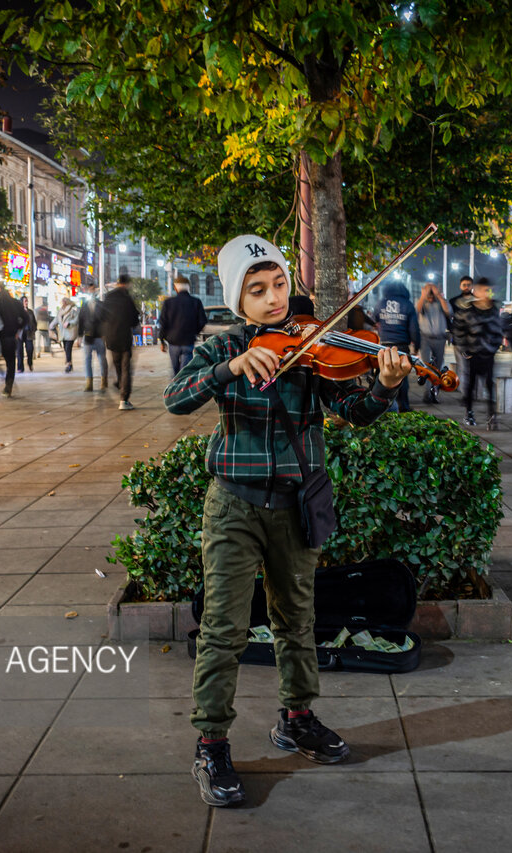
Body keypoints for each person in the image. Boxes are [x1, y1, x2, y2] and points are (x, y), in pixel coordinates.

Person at [164, 233, 410, 809]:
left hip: (297, 501)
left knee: (297, 619)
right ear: (237, 302)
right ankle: (211, 743)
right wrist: (230, 366)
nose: (274, 298)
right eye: (258, 290)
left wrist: (385, 385)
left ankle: (297, 718)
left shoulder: (313, 346)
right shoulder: (221, 348)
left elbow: (355, 411)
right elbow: (177, 399)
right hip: (234, 505)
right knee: (224, 628)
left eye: (279, 284)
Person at [452, 276, 504, 429]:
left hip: (488, 354)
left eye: (488, 290)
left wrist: (494, 347)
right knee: (470, 384)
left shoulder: (493, 310)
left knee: (489, 385)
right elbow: (459, 329)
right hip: (473, 353)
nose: (485, 293)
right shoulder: (467, 310)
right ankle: (469, 413)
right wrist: (464, 350)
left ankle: (491, 415)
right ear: (476, 291)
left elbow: (498, 331)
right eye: (482, 290)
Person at [377, 279, 420, 412]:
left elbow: (376, 321)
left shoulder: (381, 303)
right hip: (401, 346)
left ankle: (381, 405)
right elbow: (414, 329)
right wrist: (417, 345)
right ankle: (403, 406)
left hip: (383, 346)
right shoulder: (407, 304)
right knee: (402, 377)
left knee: (382, 375)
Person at [103, 274, 142, 411]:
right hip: (124, 338)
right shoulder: (127, 299)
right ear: (127, 284)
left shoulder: (108, 297)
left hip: (111, 338)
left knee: (118, 365)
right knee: (126, 368)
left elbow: (102, 316)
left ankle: (120, 383)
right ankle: (124, 399)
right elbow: (134, 320)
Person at [159, 273, 207, 376]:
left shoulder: (168, 302)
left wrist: (162, 341)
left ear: (175, 288)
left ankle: (173, 390)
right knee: (184, 372)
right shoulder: (196, 302)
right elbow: (203, 321)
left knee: (175, 371)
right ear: (188, 287)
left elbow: (163, 323)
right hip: (188, 341)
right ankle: (181, 390)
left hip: (173, 341)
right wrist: (195, 332)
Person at [416, 280, 451, 403]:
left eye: (431, 293)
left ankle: (434, 393)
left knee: (437, 367)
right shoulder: (422, 302)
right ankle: (427, 394)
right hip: (425, 337)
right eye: (428, 292)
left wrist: (439, 296)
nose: (430, 296)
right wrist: (423, 295)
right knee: (426, 366)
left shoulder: (441, 302)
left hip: (440, 338)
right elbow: (416, 311)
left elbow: (448, 312)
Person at [0, 283, 27, 396]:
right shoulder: (15, 303)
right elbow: (25, 318)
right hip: (11, 336)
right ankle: (8, 384)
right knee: (10, 362)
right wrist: (18, 329)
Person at [75, 284, 108, 392]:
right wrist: (79, 337)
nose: (91, 291)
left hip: (99, 336)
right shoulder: (84, 306)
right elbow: (81, 321)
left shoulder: (101, 305)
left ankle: (104, 380)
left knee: (102, 359)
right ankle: (89, 383)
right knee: (87, 360)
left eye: (93, 289)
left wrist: (105, 334)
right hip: (88, 336)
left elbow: (105, 320)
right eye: (90, 289)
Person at [57, 296, 79, 373]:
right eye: (62, 302)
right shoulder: (60, 310)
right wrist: (51, 327)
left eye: (64, 302)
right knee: (66, 349)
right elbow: (57, 319)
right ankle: (70, 364)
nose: (63, 303)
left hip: (70, 332)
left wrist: (69, 323)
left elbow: (76, 319)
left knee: (68, 348)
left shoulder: (73, 309)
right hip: (63, 333)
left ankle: (68, 365)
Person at [17, 296, 37, 373]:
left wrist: (34, 329)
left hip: (29, 333)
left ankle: (30, 363)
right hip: (20, 334)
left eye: (27, 301)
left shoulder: (30, 312)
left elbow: (34, 322)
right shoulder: (18, 312)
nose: (26, 302)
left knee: (30, 349)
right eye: (25, 301)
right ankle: (20, 367)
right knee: (19, 351)